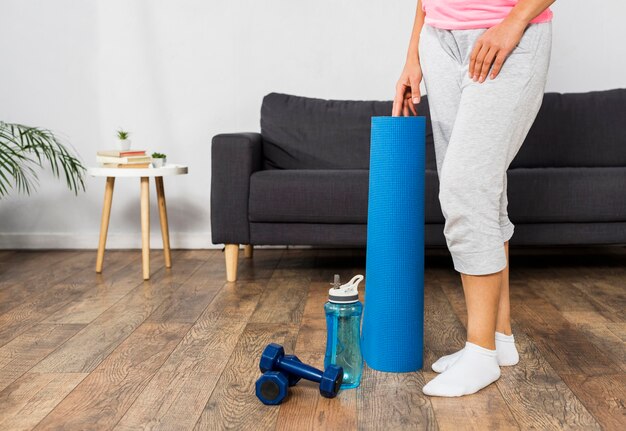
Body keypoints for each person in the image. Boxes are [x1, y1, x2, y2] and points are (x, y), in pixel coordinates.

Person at [393, 0, 555, 397]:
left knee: (466, 187)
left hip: (506, 35)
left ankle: (479, 354)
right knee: (480, 189)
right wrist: (413, 53)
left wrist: (515, 20)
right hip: (439, 41)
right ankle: (499, 342)